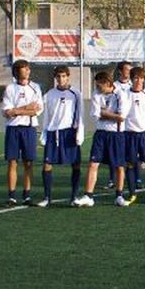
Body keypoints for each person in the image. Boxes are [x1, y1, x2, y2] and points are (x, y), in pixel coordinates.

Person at [74, 71, 130, 208]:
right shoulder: (96, 94)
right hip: (100, 134)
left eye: (100, 85)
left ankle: (119, 196)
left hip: (116, 134)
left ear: (108, 83)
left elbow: (122, 117)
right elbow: (95, 115)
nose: (97, 88)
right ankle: (88, 196)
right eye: (96, 85)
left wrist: (104, 113)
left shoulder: (120, 94)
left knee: (119, 166)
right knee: (93, 164)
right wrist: (111, 115)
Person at [1, 59, 44, 206]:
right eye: (24, 68)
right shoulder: (10, 88)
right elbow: (7, 112)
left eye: (28, 68)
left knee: (28, 163)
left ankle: (27, 195)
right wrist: (26, 108)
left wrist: (17, 110)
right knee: (12, 162)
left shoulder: (35, 87)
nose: (27, 71)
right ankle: (12, 196)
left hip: (29, 128)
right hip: (13, 128)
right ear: (16, 71)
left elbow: (37, 110)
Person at [41, 65, 85, 207]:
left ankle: (74, 197)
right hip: (53, 133)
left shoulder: (76, 93)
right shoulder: (49, 94)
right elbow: (46, 114)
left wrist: (79, 133)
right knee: (47, 165)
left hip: (70, 133)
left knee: (75, 164)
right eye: (58, 76)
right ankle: (47, 198)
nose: (61, 79)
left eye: (63, 76)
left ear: (68, 77)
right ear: (55, 78)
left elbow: (80, 115)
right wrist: (44, 132)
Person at [124, 67, 145, 204]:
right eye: (136, 78)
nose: (139, 81)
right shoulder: (125, 95)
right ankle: (132, 193)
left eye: (141, 78)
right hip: (130, 134)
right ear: (131, 80)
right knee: (131, 164)